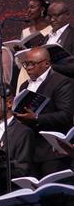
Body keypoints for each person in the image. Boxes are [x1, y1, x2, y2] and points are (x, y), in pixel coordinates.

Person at [14, 46, 74, 177]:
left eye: (32, 64)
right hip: (30, 152)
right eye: (26, 64)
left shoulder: (61, 82)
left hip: (52, 153)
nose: (28, 68)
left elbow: (66, 115)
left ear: (46, 63)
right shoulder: (24, 86)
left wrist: (36, 118)